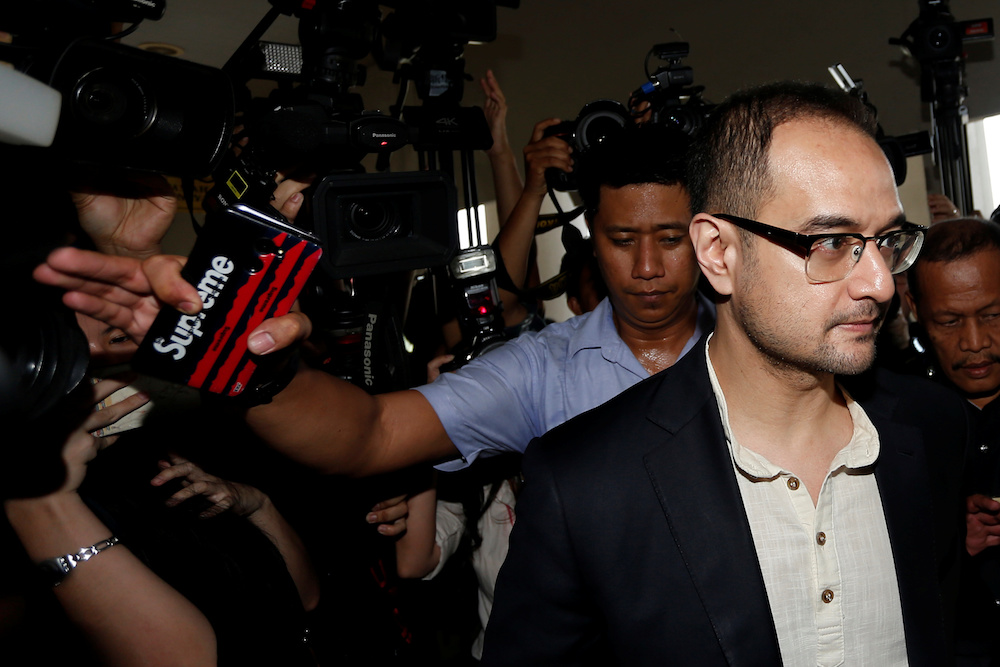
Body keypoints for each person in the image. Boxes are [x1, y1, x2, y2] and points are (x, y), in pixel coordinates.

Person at [479, 81, 968, 666]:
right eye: (832, 241)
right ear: (717, 251)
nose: (882, 283)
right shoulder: (585, 487)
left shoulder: (933, 430)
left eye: (887, 240)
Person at [34, 122, 714, 478]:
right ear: (593, 238)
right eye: (624, 239)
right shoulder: (544, 369)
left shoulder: (763, 342)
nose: (647, 267)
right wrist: (240, 353)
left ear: (709, 235)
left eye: (669, 238)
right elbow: (370, 434)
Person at [904, 217, 1000, 664]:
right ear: (913, 307)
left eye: (994, 315)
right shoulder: (885, 416)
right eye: (949, 321)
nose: (976, 342)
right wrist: (943, 536)